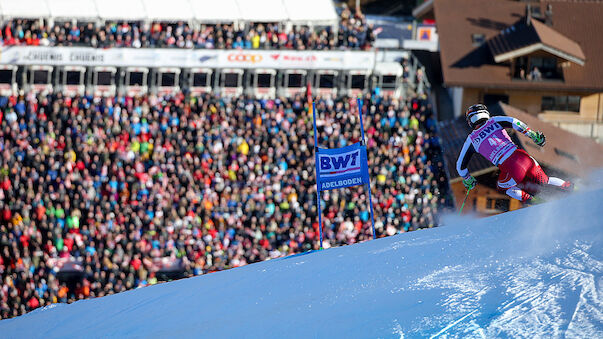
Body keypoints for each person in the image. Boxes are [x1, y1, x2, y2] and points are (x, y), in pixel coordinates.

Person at [456, 104, 572, 204]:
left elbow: (460, 166)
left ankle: (534, 201)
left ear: (470, 120)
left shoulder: (471, 139)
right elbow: (514, 122)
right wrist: (532, 135)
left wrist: (468, 179)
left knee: (503, 187)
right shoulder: (494, 121)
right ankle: (571, 187)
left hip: (510, 166)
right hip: (523, 157)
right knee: (544, 180)